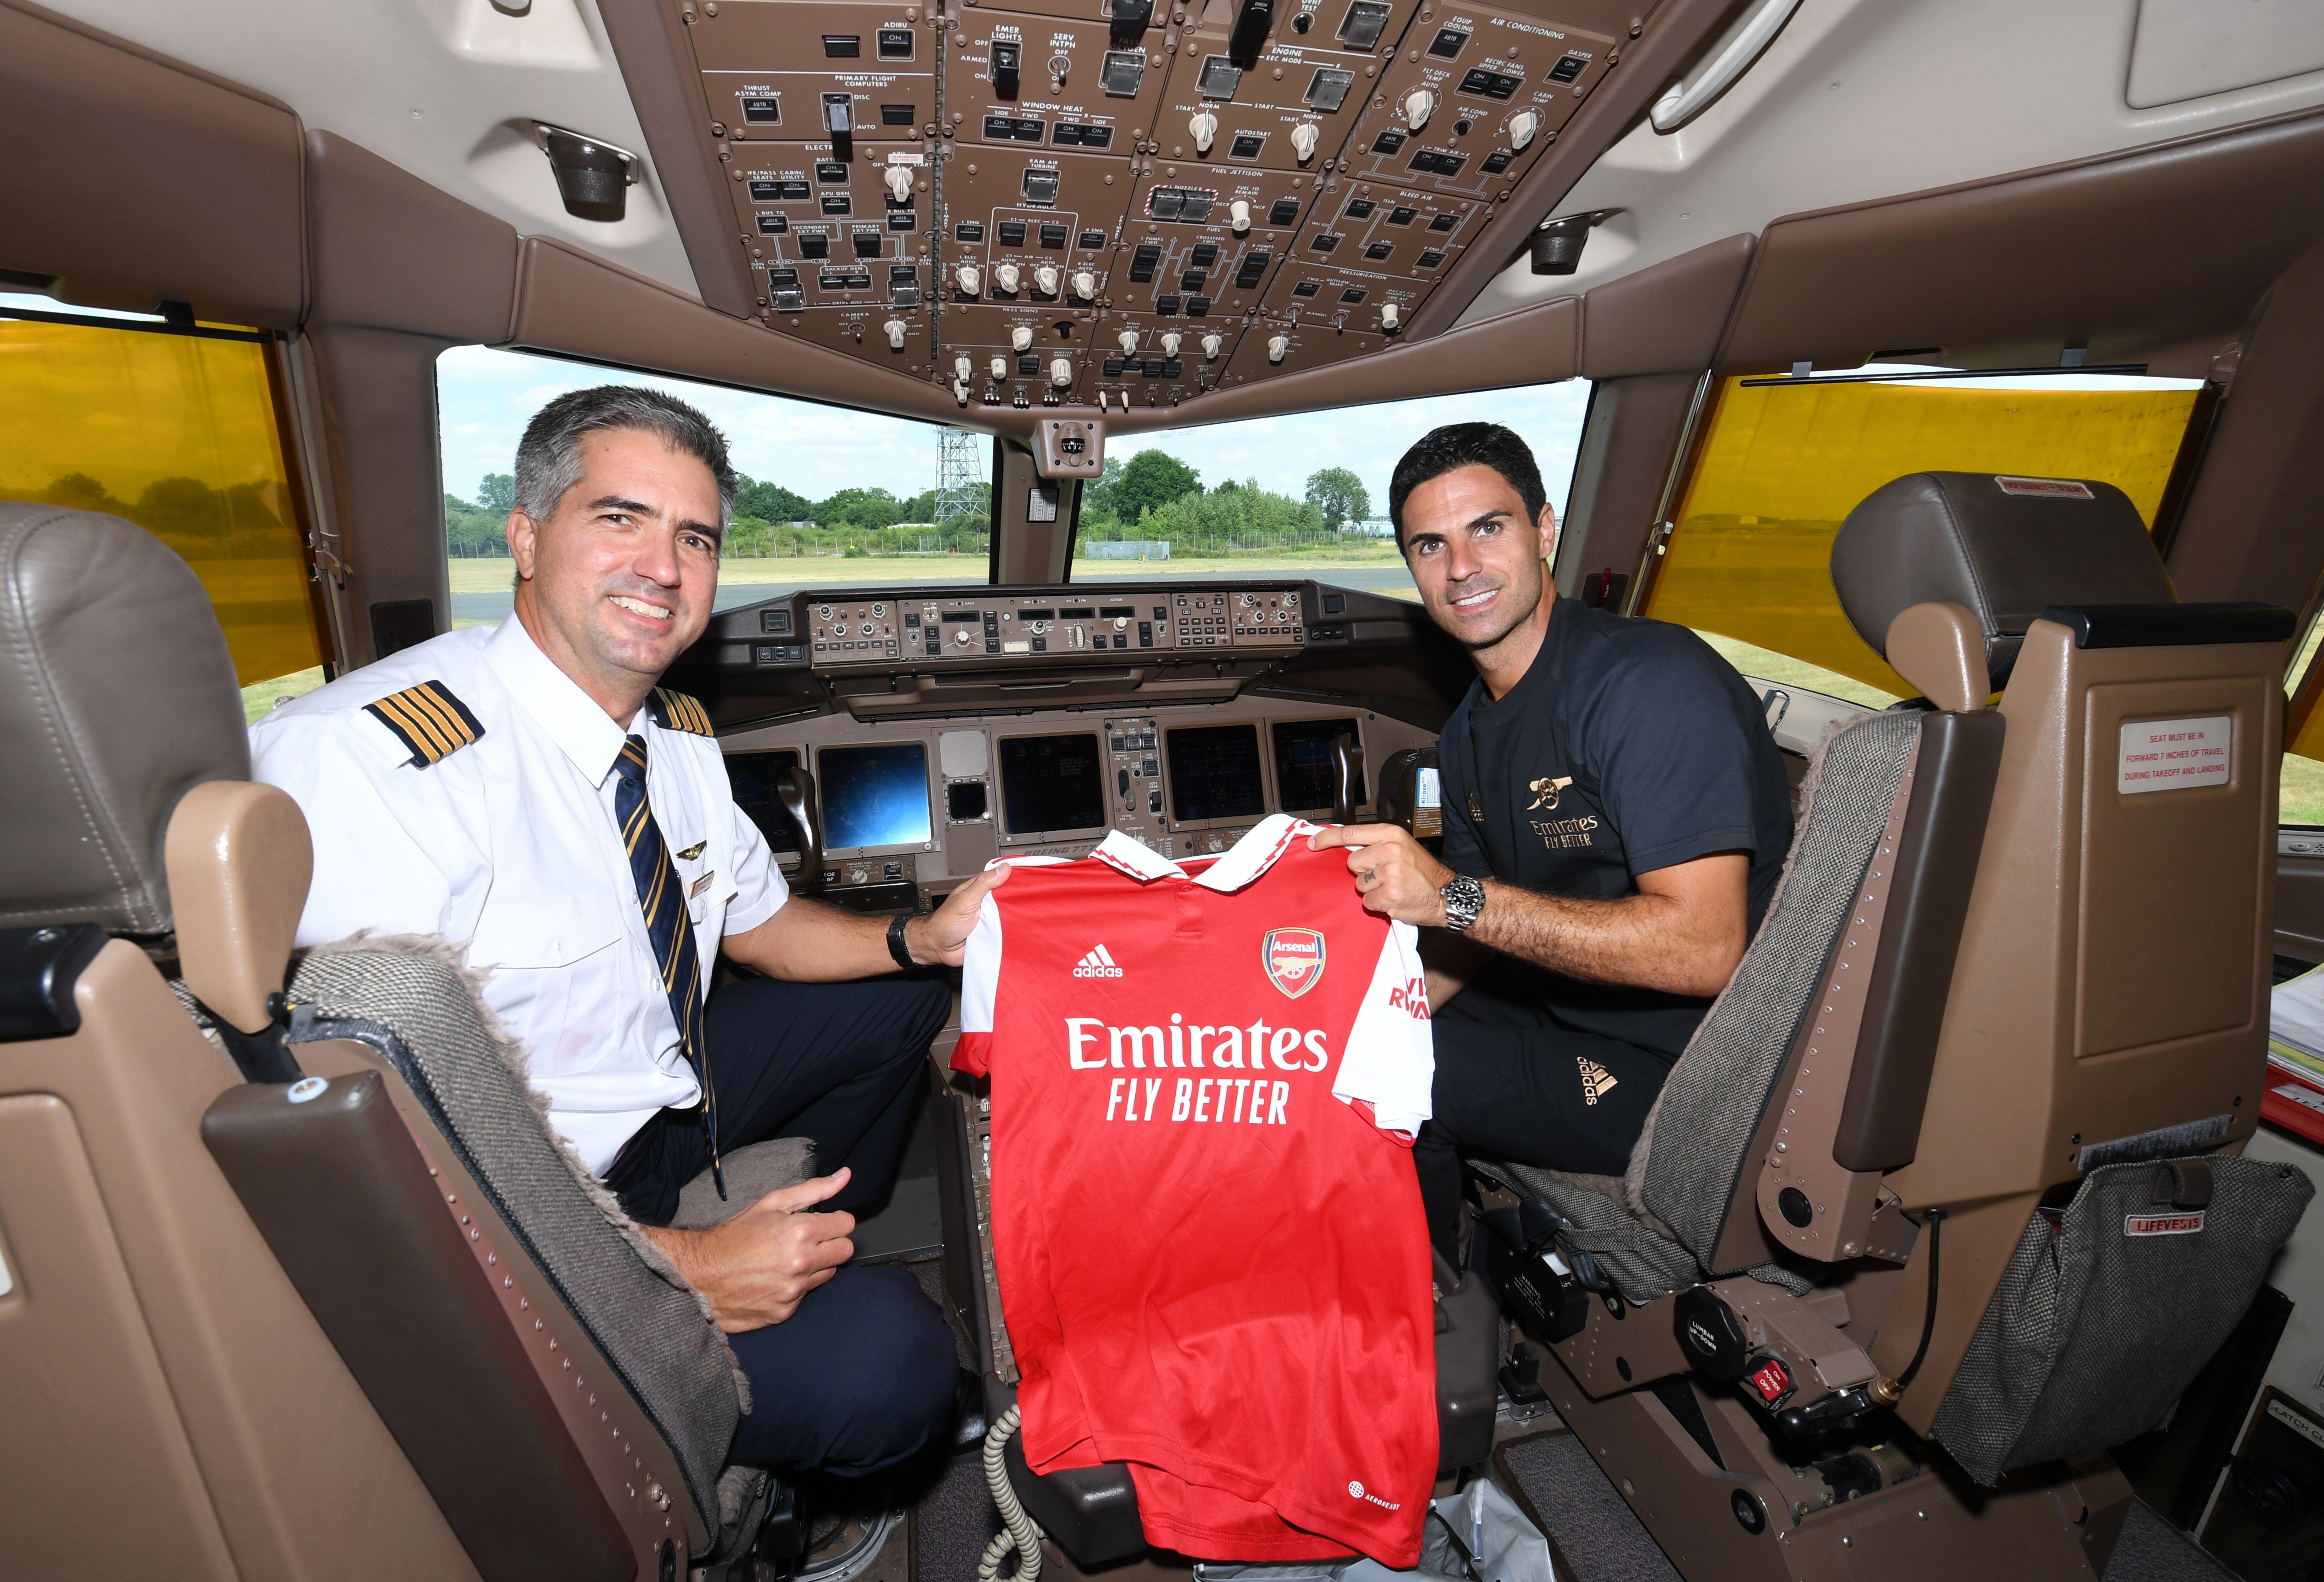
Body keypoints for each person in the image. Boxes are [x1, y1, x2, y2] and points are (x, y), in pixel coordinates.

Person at [252, 385, 1001, 1474]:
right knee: (900, 1368)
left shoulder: (677, 743)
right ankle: (735, 1364)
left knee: (901, 1002)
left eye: (693, 537)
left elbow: (765, 923)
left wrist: (919, 941)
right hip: (518, 1197)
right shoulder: (372, 763)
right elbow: (383, 1167)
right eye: (619, 518)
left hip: (652, 1110)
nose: (661, 564)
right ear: (524, 534)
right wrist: (689, 1264)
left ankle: (809, 1224)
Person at [1310, 423, 1792, 1262]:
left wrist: (1449, 898)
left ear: (1545, 530)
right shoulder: (1465, 734)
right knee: (1349, 1052)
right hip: (1571, 1004)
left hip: (1692, 1067)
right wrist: (1353, 1019)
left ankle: (1429, 1322)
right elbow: (1468, 939)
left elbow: (1705, 948)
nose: (1461, 567)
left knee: (1382, 1087)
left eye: (1487, 528)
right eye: (1431, 545)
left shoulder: (1646, 685)